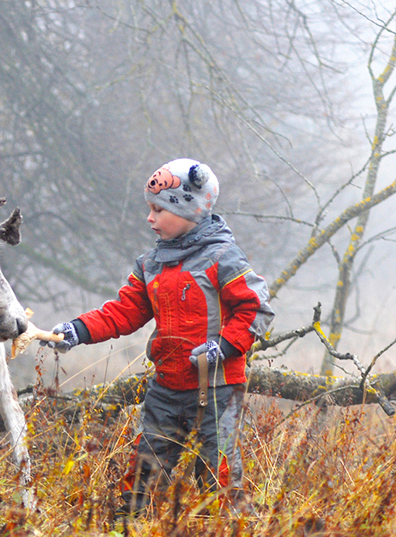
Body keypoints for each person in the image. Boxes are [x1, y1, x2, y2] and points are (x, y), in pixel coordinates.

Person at [42, 158, 274, 516]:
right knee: (146, 466)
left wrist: (223, 347)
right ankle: (128, 522)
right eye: (150, 209)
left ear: (189, 209)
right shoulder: (151, 264)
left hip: (218, 387)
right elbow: (123, 311)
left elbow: (255, 309)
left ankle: (233, 525)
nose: (149, 219)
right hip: (166, 387)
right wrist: (77, 329)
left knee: (219, 471)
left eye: (158, 210)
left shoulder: (223, 257)